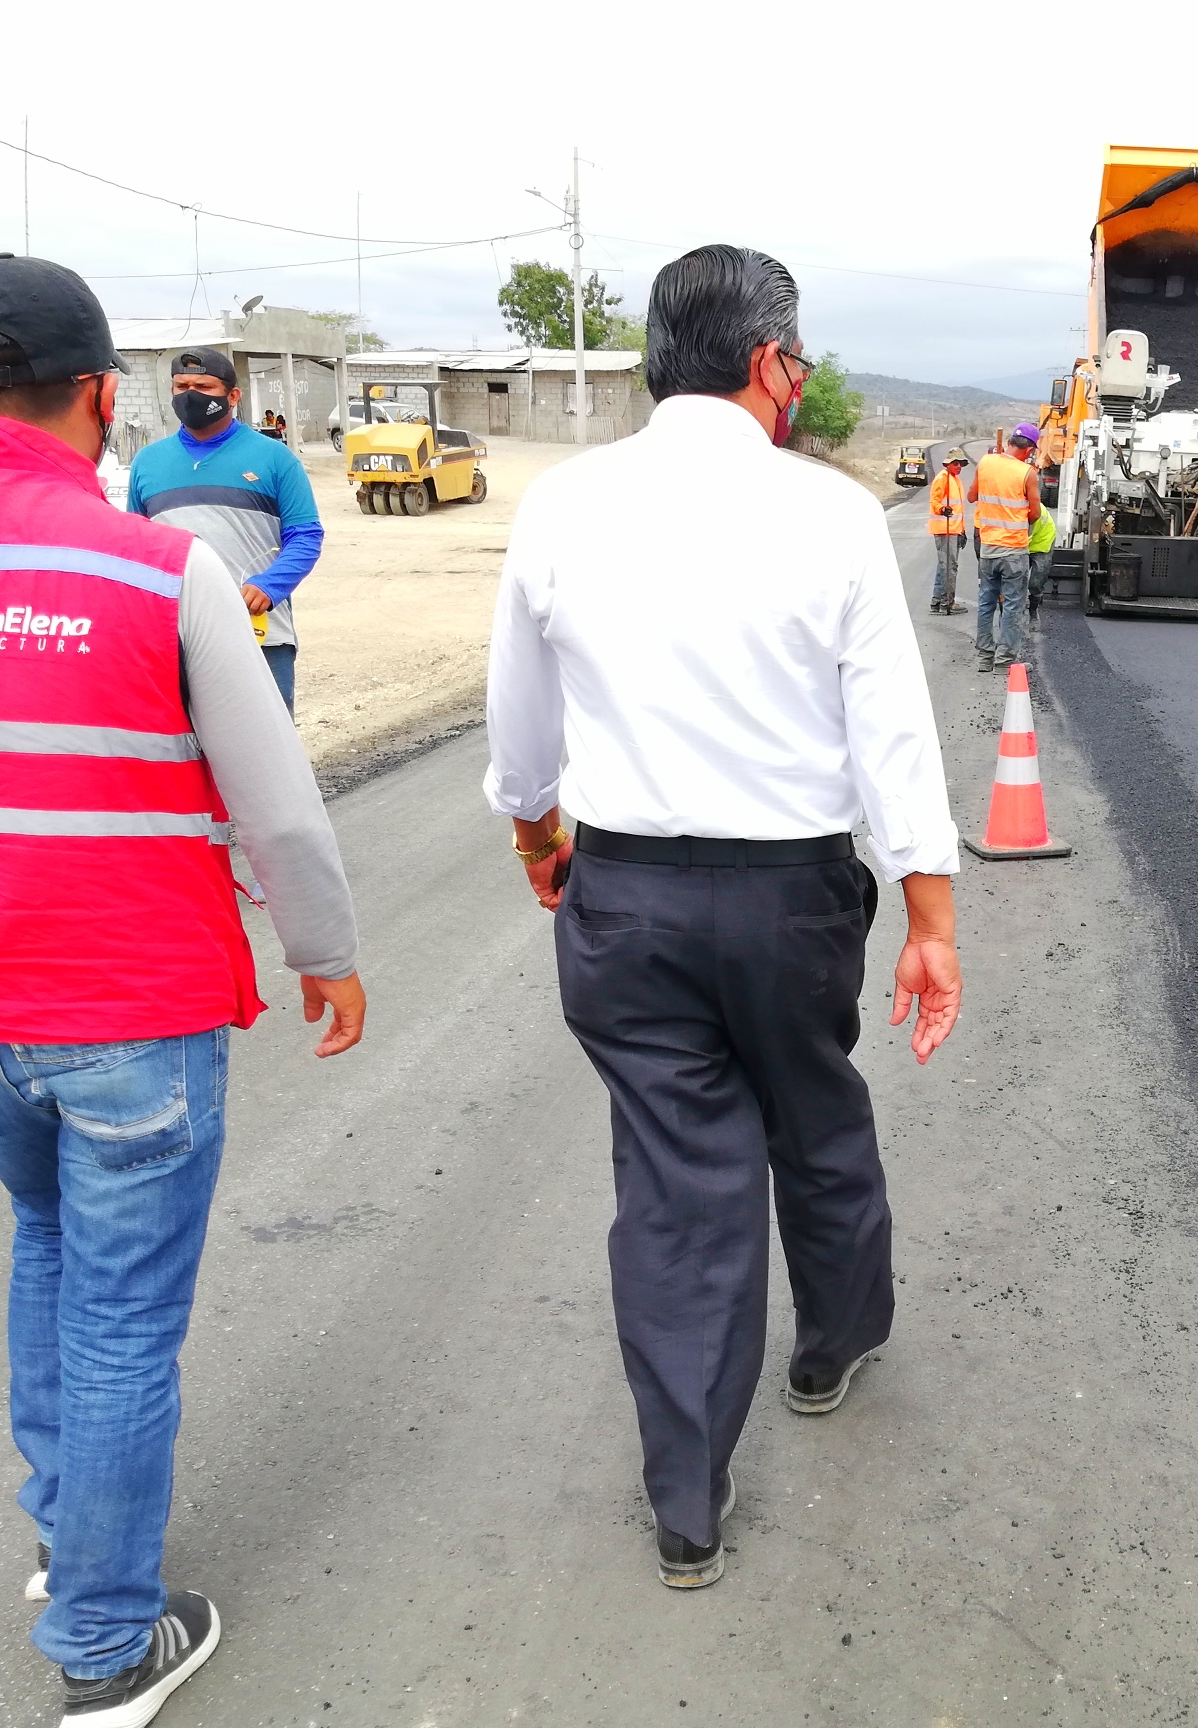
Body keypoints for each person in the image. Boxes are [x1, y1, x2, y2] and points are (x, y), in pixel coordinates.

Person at [0, 253, 366, 1726]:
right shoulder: (163, 569)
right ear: (104, 397)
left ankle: (65, 1537)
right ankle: (105, 1639)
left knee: (49, 1245)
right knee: (122, 1321)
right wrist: (326, 955)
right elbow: (277, 809)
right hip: (134, 1017)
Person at [485, 243, 963, 1592]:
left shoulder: (564, 505)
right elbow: (891, 736)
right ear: (768, 364)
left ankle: (688, 1500)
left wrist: (537, 835)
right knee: (814, 1112)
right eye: (796, 363)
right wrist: (929, 918)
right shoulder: (831, 516)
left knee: (678, 1181)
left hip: (626, 896)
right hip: (791, 898)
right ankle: (831, 1348)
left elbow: (520, 719)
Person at [127, 348, 324, 714]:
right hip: (172, 637)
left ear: (233, 396)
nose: (190, 395)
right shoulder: (147, 463)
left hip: (258, 634)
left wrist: (270, 585)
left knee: (263, 741)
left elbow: (306, 535)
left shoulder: (275, 458)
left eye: (203, 386)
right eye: (181, 386)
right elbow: (135, 545)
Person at [967, 424, 1042, 671]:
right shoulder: (1027, 473)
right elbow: (1035, 513)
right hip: (1013, 551)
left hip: (988, 547)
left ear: (1010, 442)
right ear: (1029, 450)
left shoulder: (986, 462)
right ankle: (1004, 660)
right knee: (1012, 605)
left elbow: (972, 496)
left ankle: (984, 658)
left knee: (986, 602)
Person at [927, 450, 970, 614]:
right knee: (949, 567)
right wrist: (942, 509)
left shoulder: (955, 479)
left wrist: (962, 531)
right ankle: (948, 603)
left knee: (944, 566)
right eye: (956, 463)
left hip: (953, 529)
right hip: (945, 529)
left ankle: (937, 601)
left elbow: (958, 509)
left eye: (961, 464)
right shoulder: (943, 478)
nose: (959, 467)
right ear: (948, 464)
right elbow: (935, 501)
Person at [1025, 473, 1057, 620]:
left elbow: (1026, 537)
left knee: (1036, 582)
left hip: (1042, 543)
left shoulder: (1033, 512)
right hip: (1026, 543)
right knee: (1017, 579)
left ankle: (1034, 608)